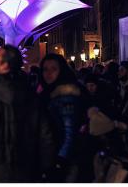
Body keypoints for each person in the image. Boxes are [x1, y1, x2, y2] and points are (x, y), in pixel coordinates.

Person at [0, 45, 56, 182]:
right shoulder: (31, 97)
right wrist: (45, 168)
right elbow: (46, 136)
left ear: (6, 66)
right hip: (26, 170)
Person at [39, 53, 85, 182]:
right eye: (45, 69)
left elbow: (70, 132)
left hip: (63, 158)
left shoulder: (65, 96)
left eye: (54, 69)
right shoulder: (48, 92)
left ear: (62, 70)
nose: (48, 73)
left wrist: (60, 160)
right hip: (53, 154)